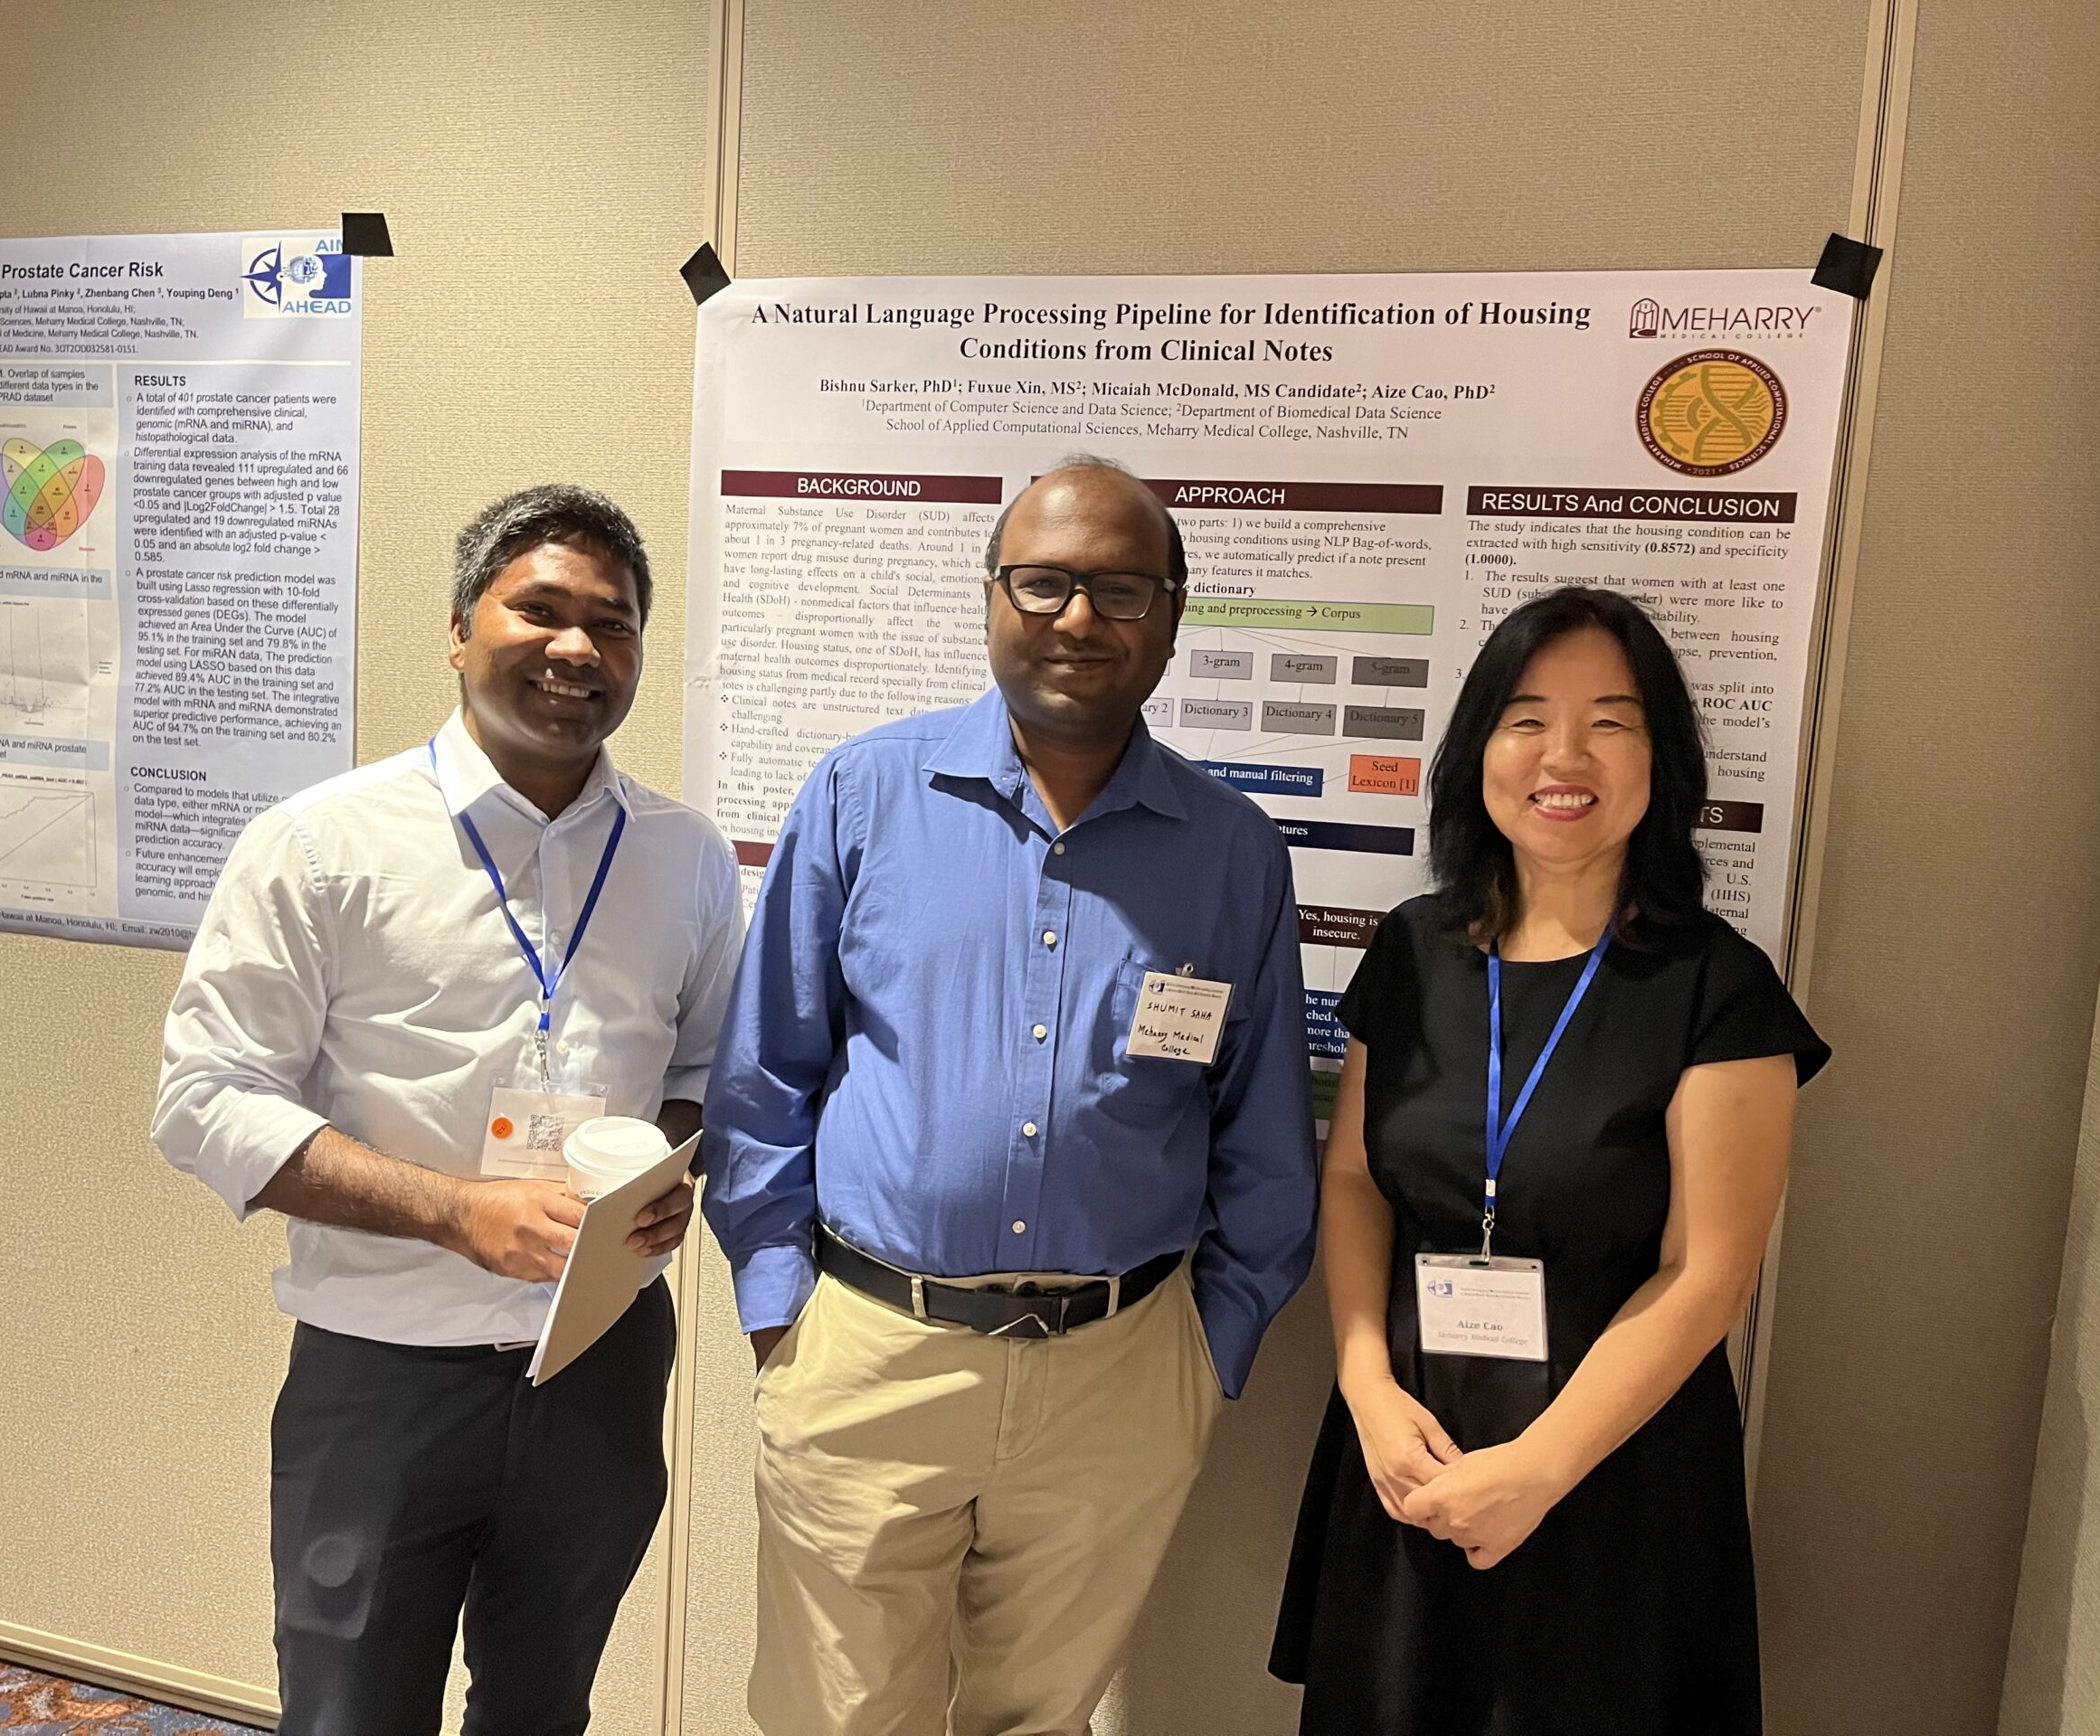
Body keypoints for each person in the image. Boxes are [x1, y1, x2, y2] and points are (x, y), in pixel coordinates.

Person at [703, 458, 1319, 1736]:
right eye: (1042, 583)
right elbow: (763, 1075)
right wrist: (780, 1312)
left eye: (1120, 589)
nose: (1079, 619)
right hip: (871, 1354)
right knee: (838, 1719)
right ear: (992, 597)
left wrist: (1212, 1352)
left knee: (1035, 1719)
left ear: (1173, 613)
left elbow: (1263, 1131)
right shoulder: (865, 794)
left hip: (1122, 1373)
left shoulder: (1231, 850)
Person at [152, 485, 743, 1736]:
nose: (579, 649)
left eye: (615, 624)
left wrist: (668, 1166)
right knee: (350, 1713)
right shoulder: (320, 844)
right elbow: (204, 1101)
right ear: (461, 630)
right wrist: (456, 1214)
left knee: (544, 1711)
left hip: (600, 1367)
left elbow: (700, 1064)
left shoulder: (685, 856)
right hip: (382, 1378)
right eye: (541, 610)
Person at [1271, 585, 1829, 1733]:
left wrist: (1539, 1469)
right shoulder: (1414, 949)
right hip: (1410, 1446)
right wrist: (1365, 1384)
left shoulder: (1717, 988)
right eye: (1526, 718)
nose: (1562, 755)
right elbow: (1355, 1179)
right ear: (1479, 747)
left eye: (1609, 722)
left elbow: (1708, 1274)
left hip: (1612, 1468)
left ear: (1659, 759)